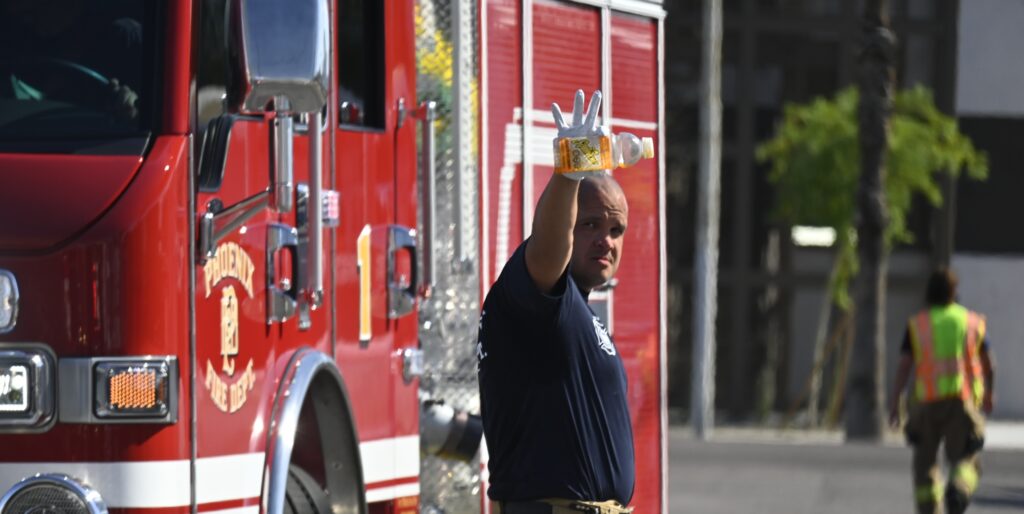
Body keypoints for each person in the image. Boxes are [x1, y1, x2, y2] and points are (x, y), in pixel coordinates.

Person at [476, 90, 635, 514]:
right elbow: (550, 247)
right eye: (590, 224)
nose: (606, 240)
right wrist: (569, 174)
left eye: (616, 230)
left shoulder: (578, 311)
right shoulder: (538, 294)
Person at [889, 268, 996, 514]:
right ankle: (958, 489)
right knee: (966, 458)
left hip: (926, 403)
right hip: (961, 402)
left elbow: (904, 366)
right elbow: (989, 362)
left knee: (924, 465)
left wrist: (896, 403)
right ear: (953, 291)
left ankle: (930, 509)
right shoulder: (971, 322)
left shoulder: (918, 325)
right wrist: (990, 393)